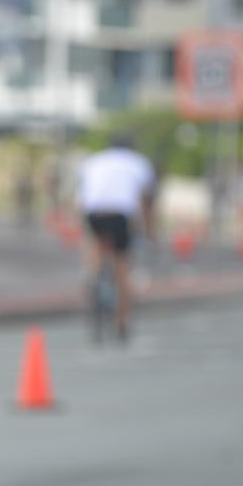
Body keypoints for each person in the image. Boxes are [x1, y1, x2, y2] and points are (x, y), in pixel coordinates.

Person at [76, 131, 156, 342]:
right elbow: (146, 203)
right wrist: (149, 231)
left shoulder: (95, 160)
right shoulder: (139, 163)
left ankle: (92, 275)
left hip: (93, 213)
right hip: (120, 215)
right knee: (123, 265)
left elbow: (83, 194)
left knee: (95, 246)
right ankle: (122, 321)